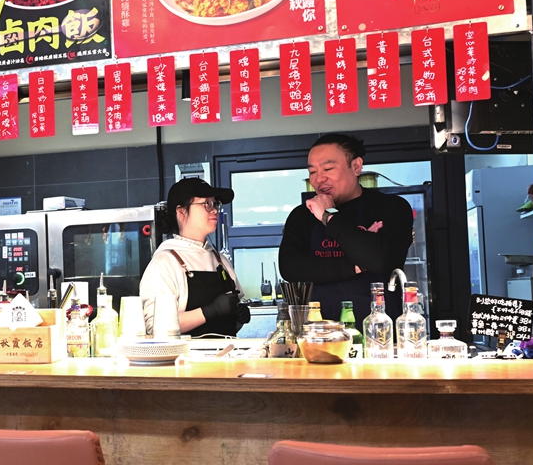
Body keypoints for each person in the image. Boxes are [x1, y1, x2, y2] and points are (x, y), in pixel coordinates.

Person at [278, 133, 414, 324]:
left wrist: (328, 216)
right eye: (312, 172)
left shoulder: (390, 207)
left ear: (356, 166)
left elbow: (379, 259)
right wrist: (357, 264)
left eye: (328, 168)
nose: (319, 179)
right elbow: (291, 267)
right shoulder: (302, 215)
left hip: (378, 329)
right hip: (318, 332)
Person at [140, 178, 251, 337]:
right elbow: (155, 326)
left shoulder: (220, 261)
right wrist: (209, 311)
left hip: (226, 357)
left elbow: (226, 326)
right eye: (207, 203)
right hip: (186, 360)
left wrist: (238, 317)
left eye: (215, 204)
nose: (214, 210)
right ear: (181, 212)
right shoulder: (165, 263)